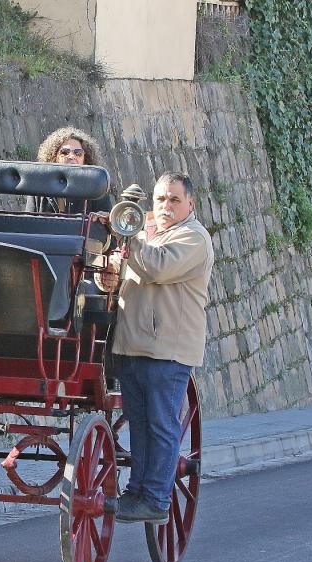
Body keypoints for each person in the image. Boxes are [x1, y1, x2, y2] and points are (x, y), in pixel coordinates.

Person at [108, 172, 214, 524]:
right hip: (133, 344)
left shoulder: (194, 237)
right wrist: (109, 270)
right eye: (160, 200)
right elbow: (118, 269)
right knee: (139, 424)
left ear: (190, 204)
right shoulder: (142, 234)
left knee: (161, 425)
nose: (165, 206)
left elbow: (158, 267)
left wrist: (130, 238)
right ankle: (136, 490)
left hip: (168, 349)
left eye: (173, 200)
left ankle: (155, 498)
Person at [25, 126, 113, 216]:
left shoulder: (96, 187)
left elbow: (108, 226)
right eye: (64, 152)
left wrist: (105, 221)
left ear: (85, 159)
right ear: (54, 157)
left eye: (78, 153)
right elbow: (27, 224)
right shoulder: (38, 186)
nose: (71, 156)